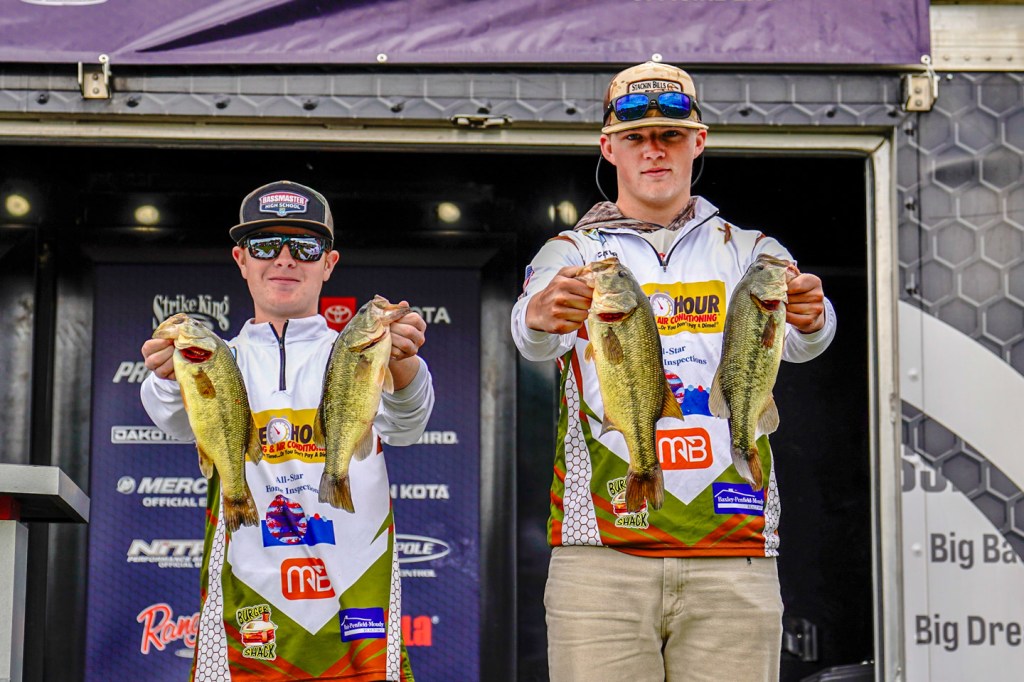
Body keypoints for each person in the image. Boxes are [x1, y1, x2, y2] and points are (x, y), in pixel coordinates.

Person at [511, 62, 836, 682]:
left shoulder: (755, 249)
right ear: (608, 148)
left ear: (699, 141)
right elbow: (529, 339)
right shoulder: (571, 252)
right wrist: (539, 315)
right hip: (598, 553)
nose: (653, 151)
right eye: (635, 137)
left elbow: (803, 343)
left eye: (670, 136)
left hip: (735, 549)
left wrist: (815, 316)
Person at [140, 180, 434, 681]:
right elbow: (168, 415)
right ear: (241, 259)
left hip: (357, 606)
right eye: (264, 245)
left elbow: (408, 423)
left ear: (329, 263)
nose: (284, 259)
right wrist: (170, 376)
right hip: (245, 604)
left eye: (304, 246)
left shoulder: (356, 349)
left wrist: (403, 364)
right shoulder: (217, 356)